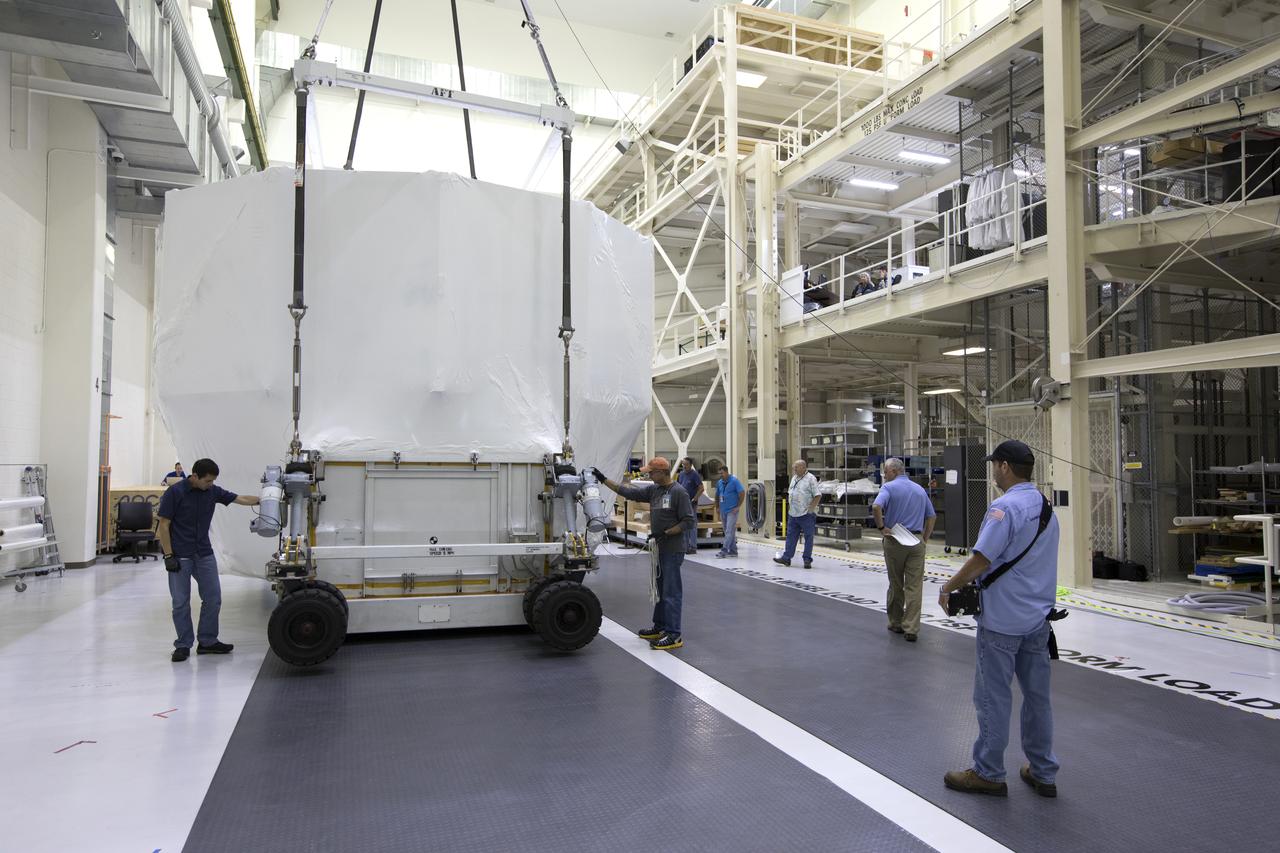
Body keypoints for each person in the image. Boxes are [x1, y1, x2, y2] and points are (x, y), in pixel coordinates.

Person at [939, 440, 1061, 799]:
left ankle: (989, 772)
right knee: (1038, 698)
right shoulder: (1044, 506)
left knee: (993, 697)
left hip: (1002, 620)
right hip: (1038, 620)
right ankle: (1043, 771)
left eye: (995, 464)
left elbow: (982, 559)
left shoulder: (1004, 508)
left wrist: (949, 586)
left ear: (1005, 467)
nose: (993, 471)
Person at [157, 458, 260, 662]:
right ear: (195, 476)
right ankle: (183, 644)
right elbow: (164, 525)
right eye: (208, 481)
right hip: (180, 555)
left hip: (203, 553)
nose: (211, 485)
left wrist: (264, 500)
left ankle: (207, 641)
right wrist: (169, 555)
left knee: (213, 598)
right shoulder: (174, 493)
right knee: (180, 602)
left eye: (213, 481)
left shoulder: (212, 492)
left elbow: (239, 498)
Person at [593, 458, 694, 650]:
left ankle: (674, 634)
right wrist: (603, 479)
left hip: (672, 549)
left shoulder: (678, 492)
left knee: (671, 592)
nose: (648, 475)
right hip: (659, 549)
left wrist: (666, 532)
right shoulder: (654, 490)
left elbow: (688, 522)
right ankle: (660, 626)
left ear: (663, 472)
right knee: (660, 589)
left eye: (651, 472)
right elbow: (628, 492)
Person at [872, 457, 936, 643]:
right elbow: (931, 516)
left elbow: (876, 506)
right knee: (914, 586)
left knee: (896, 583)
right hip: (916, 541)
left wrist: (881, 527)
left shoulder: (888, 488)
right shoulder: (919, 490)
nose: (884, 474)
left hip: (895, 539)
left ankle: (896, 622)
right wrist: (924, 538)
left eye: (885, 471)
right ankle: (912, 628)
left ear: (894, 471)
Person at [774, 459, 819, 569]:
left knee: (808, 537)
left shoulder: (811, 479)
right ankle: (786, 558)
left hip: (806, 515)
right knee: (791, 537)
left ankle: (807, 560)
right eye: (794, 467)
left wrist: (811, 509)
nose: (794, 469)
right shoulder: (794, 478)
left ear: (803, 467)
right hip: (793, 514)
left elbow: (817, 495)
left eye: (796, 467)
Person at [713, 466, 744, 558]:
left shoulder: (734, 481)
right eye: (719, 474)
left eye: (722, 473)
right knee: (729, 531)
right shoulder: (720, 482)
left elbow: (742, 493)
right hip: (723, 510)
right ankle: (734, 551)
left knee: (729, 530)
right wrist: (717, 507)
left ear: (726, 472)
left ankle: (724, 550)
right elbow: (717, 495)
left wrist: (738, 506)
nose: (721, 475)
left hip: (732, 511)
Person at [677, 457, 704, 555]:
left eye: (686, 464)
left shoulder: (694, 475)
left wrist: (695, 498)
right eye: (683, 464)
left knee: (692, 525)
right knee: (684, 525)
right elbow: (678, 487)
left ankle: (693, 546)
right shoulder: (681, 474)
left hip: (691, 504)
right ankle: (685, 546)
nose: (684, 466)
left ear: (690, 465)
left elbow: (701, 488)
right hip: (682, 504)